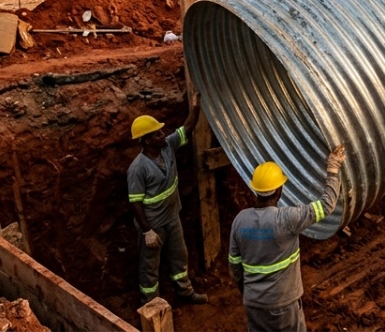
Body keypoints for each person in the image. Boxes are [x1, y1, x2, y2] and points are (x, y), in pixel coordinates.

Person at [229, 145, 347, 332]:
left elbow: (234, 266)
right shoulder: (287, 219)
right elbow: (327, 205)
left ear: (256, 191)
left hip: (253, 304)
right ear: (278, 192)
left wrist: (248, 293)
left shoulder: (240, 221)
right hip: (283, 305)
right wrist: (333, 169)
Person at [127, 91, 208, 306]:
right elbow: (135, 202)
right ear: (145, 141)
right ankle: (151, 305)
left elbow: (188, 128)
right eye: (156, 134)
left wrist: (196, 106)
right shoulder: (137, 169)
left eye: (160, 131)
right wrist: (147, 231)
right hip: (153, 225)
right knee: (149, 268)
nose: (162, 134)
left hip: (172, 218)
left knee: (180, 257)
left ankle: (184, 292)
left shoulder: (168, 147)